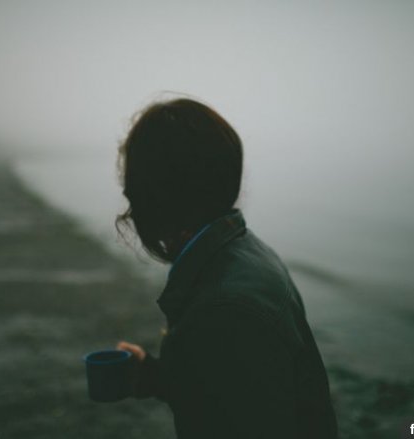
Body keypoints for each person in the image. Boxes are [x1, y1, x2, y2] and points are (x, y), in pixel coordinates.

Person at [115, 97, 338, 438]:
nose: (130, 211)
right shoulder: (243, 250)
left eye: (133, 193)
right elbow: (230, 389)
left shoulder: (225, 310)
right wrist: (152, 376)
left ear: (156, 195)